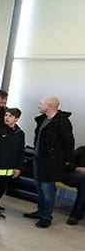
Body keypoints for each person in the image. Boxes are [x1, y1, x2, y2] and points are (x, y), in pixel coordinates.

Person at [24, 96, 75, 228]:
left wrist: (65, 161)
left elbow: (68, 143)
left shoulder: (62, 122)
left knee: (47, 189)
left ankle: (46, 217)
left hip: (51, 162)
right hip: (38, 158)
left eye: (41, 103)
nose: (39, 105)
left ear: (50, 105)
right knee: (39, 187)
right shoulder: (43, 119)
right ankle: (41, 211)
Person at [62, 145, 85, 225]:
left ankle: (75, 216)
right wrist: (77, 168)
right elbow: (67, 164)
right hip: (72, 175)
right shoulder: (81, 150)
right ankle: (76, 215)